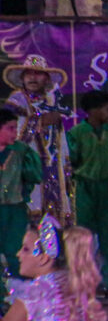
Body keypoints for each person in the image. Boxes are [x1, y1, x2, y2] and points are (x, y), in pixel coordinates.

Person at [67, 89, 108, 298]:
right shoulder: (77, 133)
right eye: (107, 109)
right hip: (84, 186)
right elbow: (72, 159)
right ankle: (82, 284)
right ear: (93, 111)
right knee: (83, 236)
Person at [3, 54, 72, 221]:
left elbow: (60, 138)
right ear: (22, 77)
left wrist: (65, 164)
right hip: (24, 166)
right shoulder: (16, 101)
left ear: (47, 79)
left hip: (52, 168)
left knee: (53, 216)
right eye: (28, 73)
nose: (33, 77)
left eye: (38, 73)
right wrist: (39, 121)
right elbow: (8, 133)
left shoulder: (52, 101)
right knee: (28, 213)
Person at [0, 109, 41, 275]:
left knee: (15, 248)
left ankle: (19, 286)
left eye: (16, 128)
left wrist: (22, 195)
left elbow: (33, 177)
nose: (15, 133)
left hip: (15, 208)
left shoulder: (22, 151)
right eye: (10, 128)